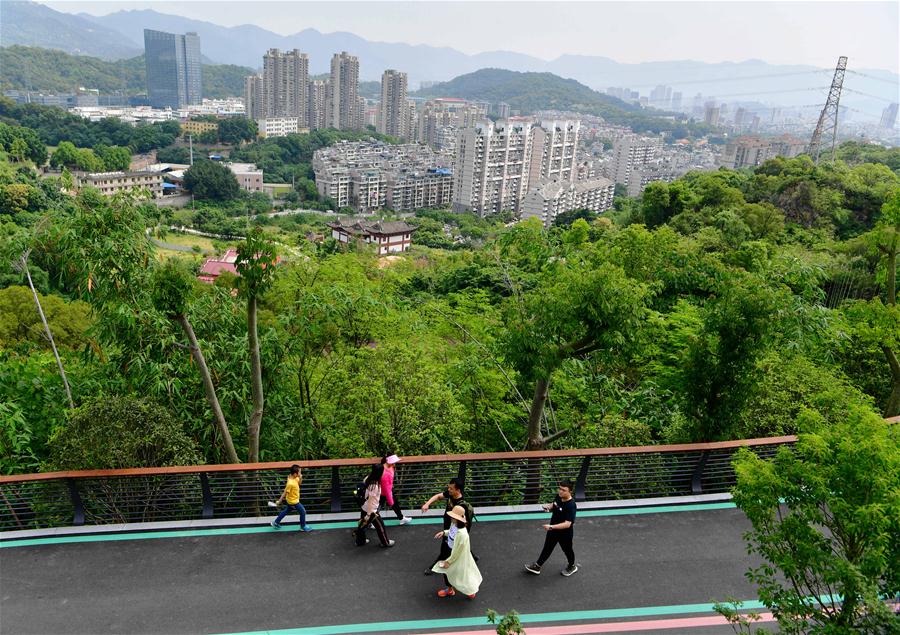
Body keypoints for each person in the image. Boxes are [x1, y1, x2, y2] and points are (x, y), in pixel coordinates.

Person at [524, 479, 578, 576]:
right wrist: (549, 507)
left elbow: (568, 524)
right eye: (560, 489)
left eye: (564, 490)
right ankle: (537, 566)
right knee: (547, 548)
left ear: (570, 491)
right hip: (553, 530)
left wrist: (552, 527)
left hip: (564, 534)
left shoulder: (571, 505)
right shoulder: (559, 496)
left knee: (567, 550)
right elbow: (555, 504)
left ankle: (572, 566)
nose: (560, 491)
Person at [421, 477, 474, 574]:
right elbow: (438, 496)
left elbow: (464, 524)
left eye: (451, 488)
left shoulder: (461, 506)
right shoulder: (451, 494)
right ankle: (471, 555)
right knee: (456, 546)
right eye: (448, 488)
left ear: (458, 490)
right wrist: (427, 504)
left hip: (453, 529)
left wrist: (453, 534)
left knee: (445, 549)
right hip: (448, 526)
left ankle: (435, 566)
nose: (448, 490)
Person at [432, 505, 482, 599]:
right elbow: (451, 532)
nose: (451, 517)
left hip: (457, 555)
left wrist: (448, 561)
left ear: (457, 518)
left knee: (461, 573)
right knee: (450, 572)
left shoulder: (462, 534)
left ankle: (469, 590)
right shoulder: (454, 524)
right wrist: (444, 533)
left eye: (453, 516)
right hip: (450, 550)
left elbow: (457, 552)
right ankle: (452, 589)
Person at [355, 463, 394, 548]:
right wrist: (370, 514)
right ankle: (385, 543)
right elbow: (371, 501)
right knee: (380, 527)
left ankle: (360, 541)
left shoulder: (368, 478)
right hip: (371, 510)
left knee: (362, 525)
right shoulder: (374, 486)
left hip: (364, 507)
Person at [270, 464, 313, 532]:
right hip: (293, 502)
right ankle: (303, 526)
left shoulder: (295, 478)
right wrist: (279, 501)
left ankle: (276, 522)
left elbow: (299, 483)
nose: (300, 473)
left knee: (286, 511)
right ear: (295, 474)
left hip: (291, 500)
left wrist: (301, 477)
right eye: (299, 472)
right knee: (303, 512)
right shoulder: (290, 483)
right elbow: (285, 492)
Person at [380, 454, 412, 525]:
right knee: (377, 507)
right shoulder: (384, 472)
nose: (394, 464)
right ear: (388, 462)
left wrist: (391, 485)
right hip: (381, 492)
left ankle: (401, 518)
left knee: (395, 504)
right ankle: (368, 522)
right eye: (393, 462)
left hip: (387, 490)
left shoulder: (390, 467)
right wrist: (390, 501)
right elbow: (386, 488)